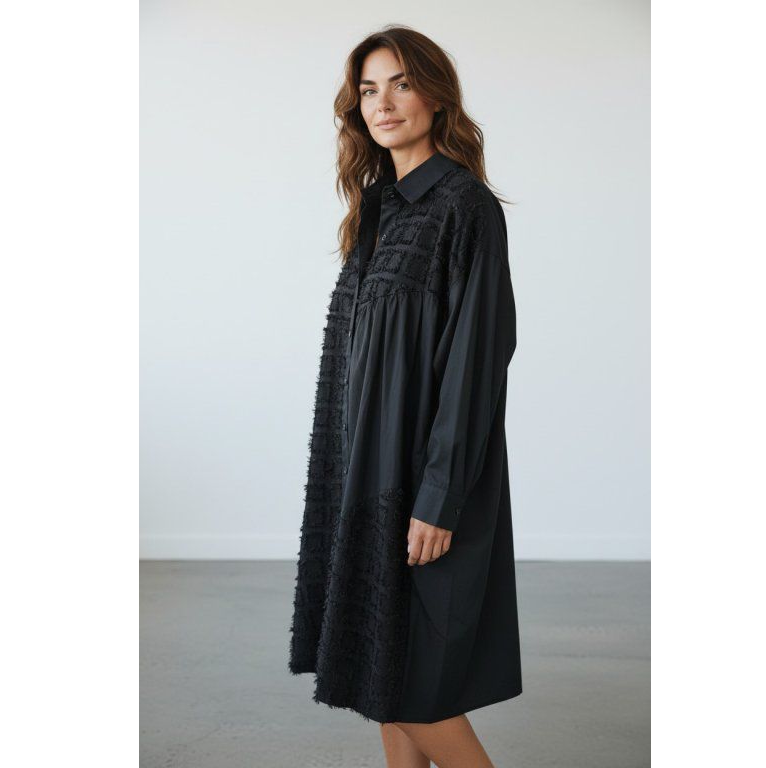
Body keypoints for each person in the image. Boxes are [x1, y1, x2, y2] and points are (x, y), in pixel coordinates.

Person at [289, 24, 521, 768]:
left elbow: (477, 362)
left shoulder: (465, 206)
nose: (383, 103)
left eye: (401, 84)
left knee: (420, 693)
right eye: (368, 90)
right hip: (364, 477)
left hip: (423, 485)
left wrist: (438, 497)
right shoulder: (375, 206)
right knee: (385, 680)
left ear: (436, 96)